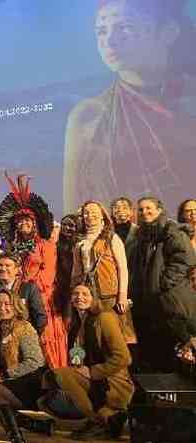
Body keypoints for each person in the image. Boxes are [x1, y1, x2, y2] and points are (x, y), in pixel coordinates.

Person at [63, 0, 196, 213]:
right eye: (101, 31)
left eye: (124, 27)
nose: (110, 41)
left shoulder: (189, 100)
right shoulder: (89, 116)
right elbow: (73, 212)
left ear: (168, 32)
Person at [0, 173, 66, 368]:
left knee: (43, 338)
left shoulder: (46, 245)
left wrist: (29, 291)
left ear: (35, 223)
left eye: (28, 221)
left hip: (42, 299)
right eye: (20, 221)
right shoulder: (11, 249)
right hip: (16, 299)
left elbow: (48, 274)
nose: (23, 224)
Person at [51, 285, 133, 441]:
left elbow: (124, 357)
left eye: (85, 294)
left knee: (62, 375)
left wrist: (92, 371)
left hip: (113, 382)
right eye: (75, 293)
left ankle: (102, 419)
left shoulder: (104, 318)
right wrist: (77, 363)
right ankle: (105, 418)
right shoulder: (76, 324)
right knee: (47, 398)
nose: (79, 297)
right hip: (94, 379)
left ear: (93, 297)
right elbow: (77, 355)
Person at [129, 197, 195, 372]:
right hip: (148, 302)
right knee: (154, 350)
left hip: (168, 300)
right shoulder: (139, 235)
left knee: (173, 348)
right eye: (141, 210)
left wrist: (163, 283)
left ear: (159, 210)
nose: (144, 212)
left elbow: (184, 258)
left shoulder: (170, 230)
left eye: (149, 208)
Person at [0, 289, 51, 443]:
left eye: (7, 303)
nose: (2, 307)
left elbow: (35, 362)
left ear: (16, 306)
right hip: (11, 381)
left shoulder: (25, 328)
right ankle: (36, 424)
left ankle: (16, 439)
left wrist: (3, 376)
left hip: (31, 381)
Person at [72, 201, 136, 344]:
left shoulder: (112, 238)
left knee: (116, 337)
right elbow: (76, 272)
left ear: (102, 215)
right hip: (88, 296)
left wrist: (122, 296)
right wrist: (75, 295)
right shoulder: (79, 242)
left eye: (94, 212)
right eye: (86, 212)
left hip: (110, 296)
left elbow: (122, 268)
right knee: (92, 337)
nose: (90, 215)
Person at [0, 253, 47, 338]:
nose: (3, 269)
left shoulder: (28, 288)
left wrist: (29, 337)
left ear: (17, 270)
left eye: (8, 265)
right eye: (0, 265)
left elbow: (41, 318)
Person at [54, 214, 82, 322]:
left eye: (70, 225)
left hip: (76, 286)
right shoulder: (57, 244)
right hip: (61, 288)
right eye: (64, 225)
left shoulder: (80, 244)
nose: (66, 228)